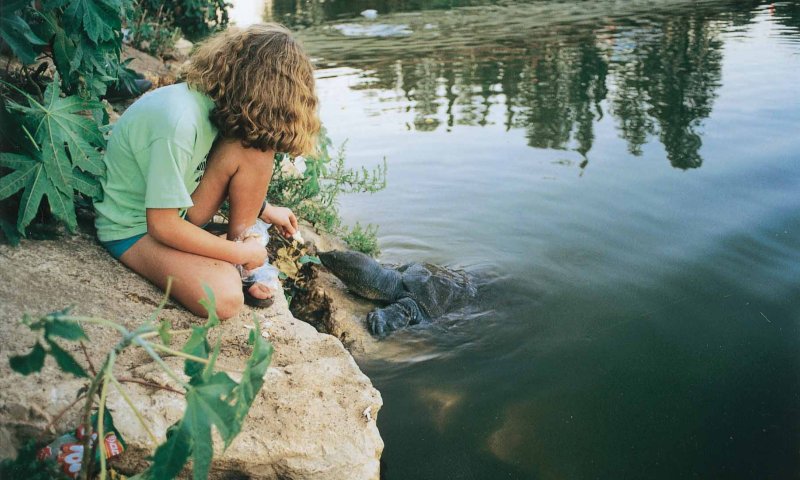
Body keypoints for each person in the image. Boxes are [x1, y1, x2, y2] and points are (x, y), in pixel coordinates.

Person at [93, 23, 319, 319]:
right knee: (224, 299)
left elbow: (219, 165)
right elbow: (161, 225)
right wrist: (238, 254)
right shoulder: (180, 120)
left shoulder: (217, 105)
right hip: (134, 230)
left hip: (179, 209)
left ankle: (242, 249)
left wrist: (264, 209)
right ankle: (240, 256)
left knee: (257, 147)